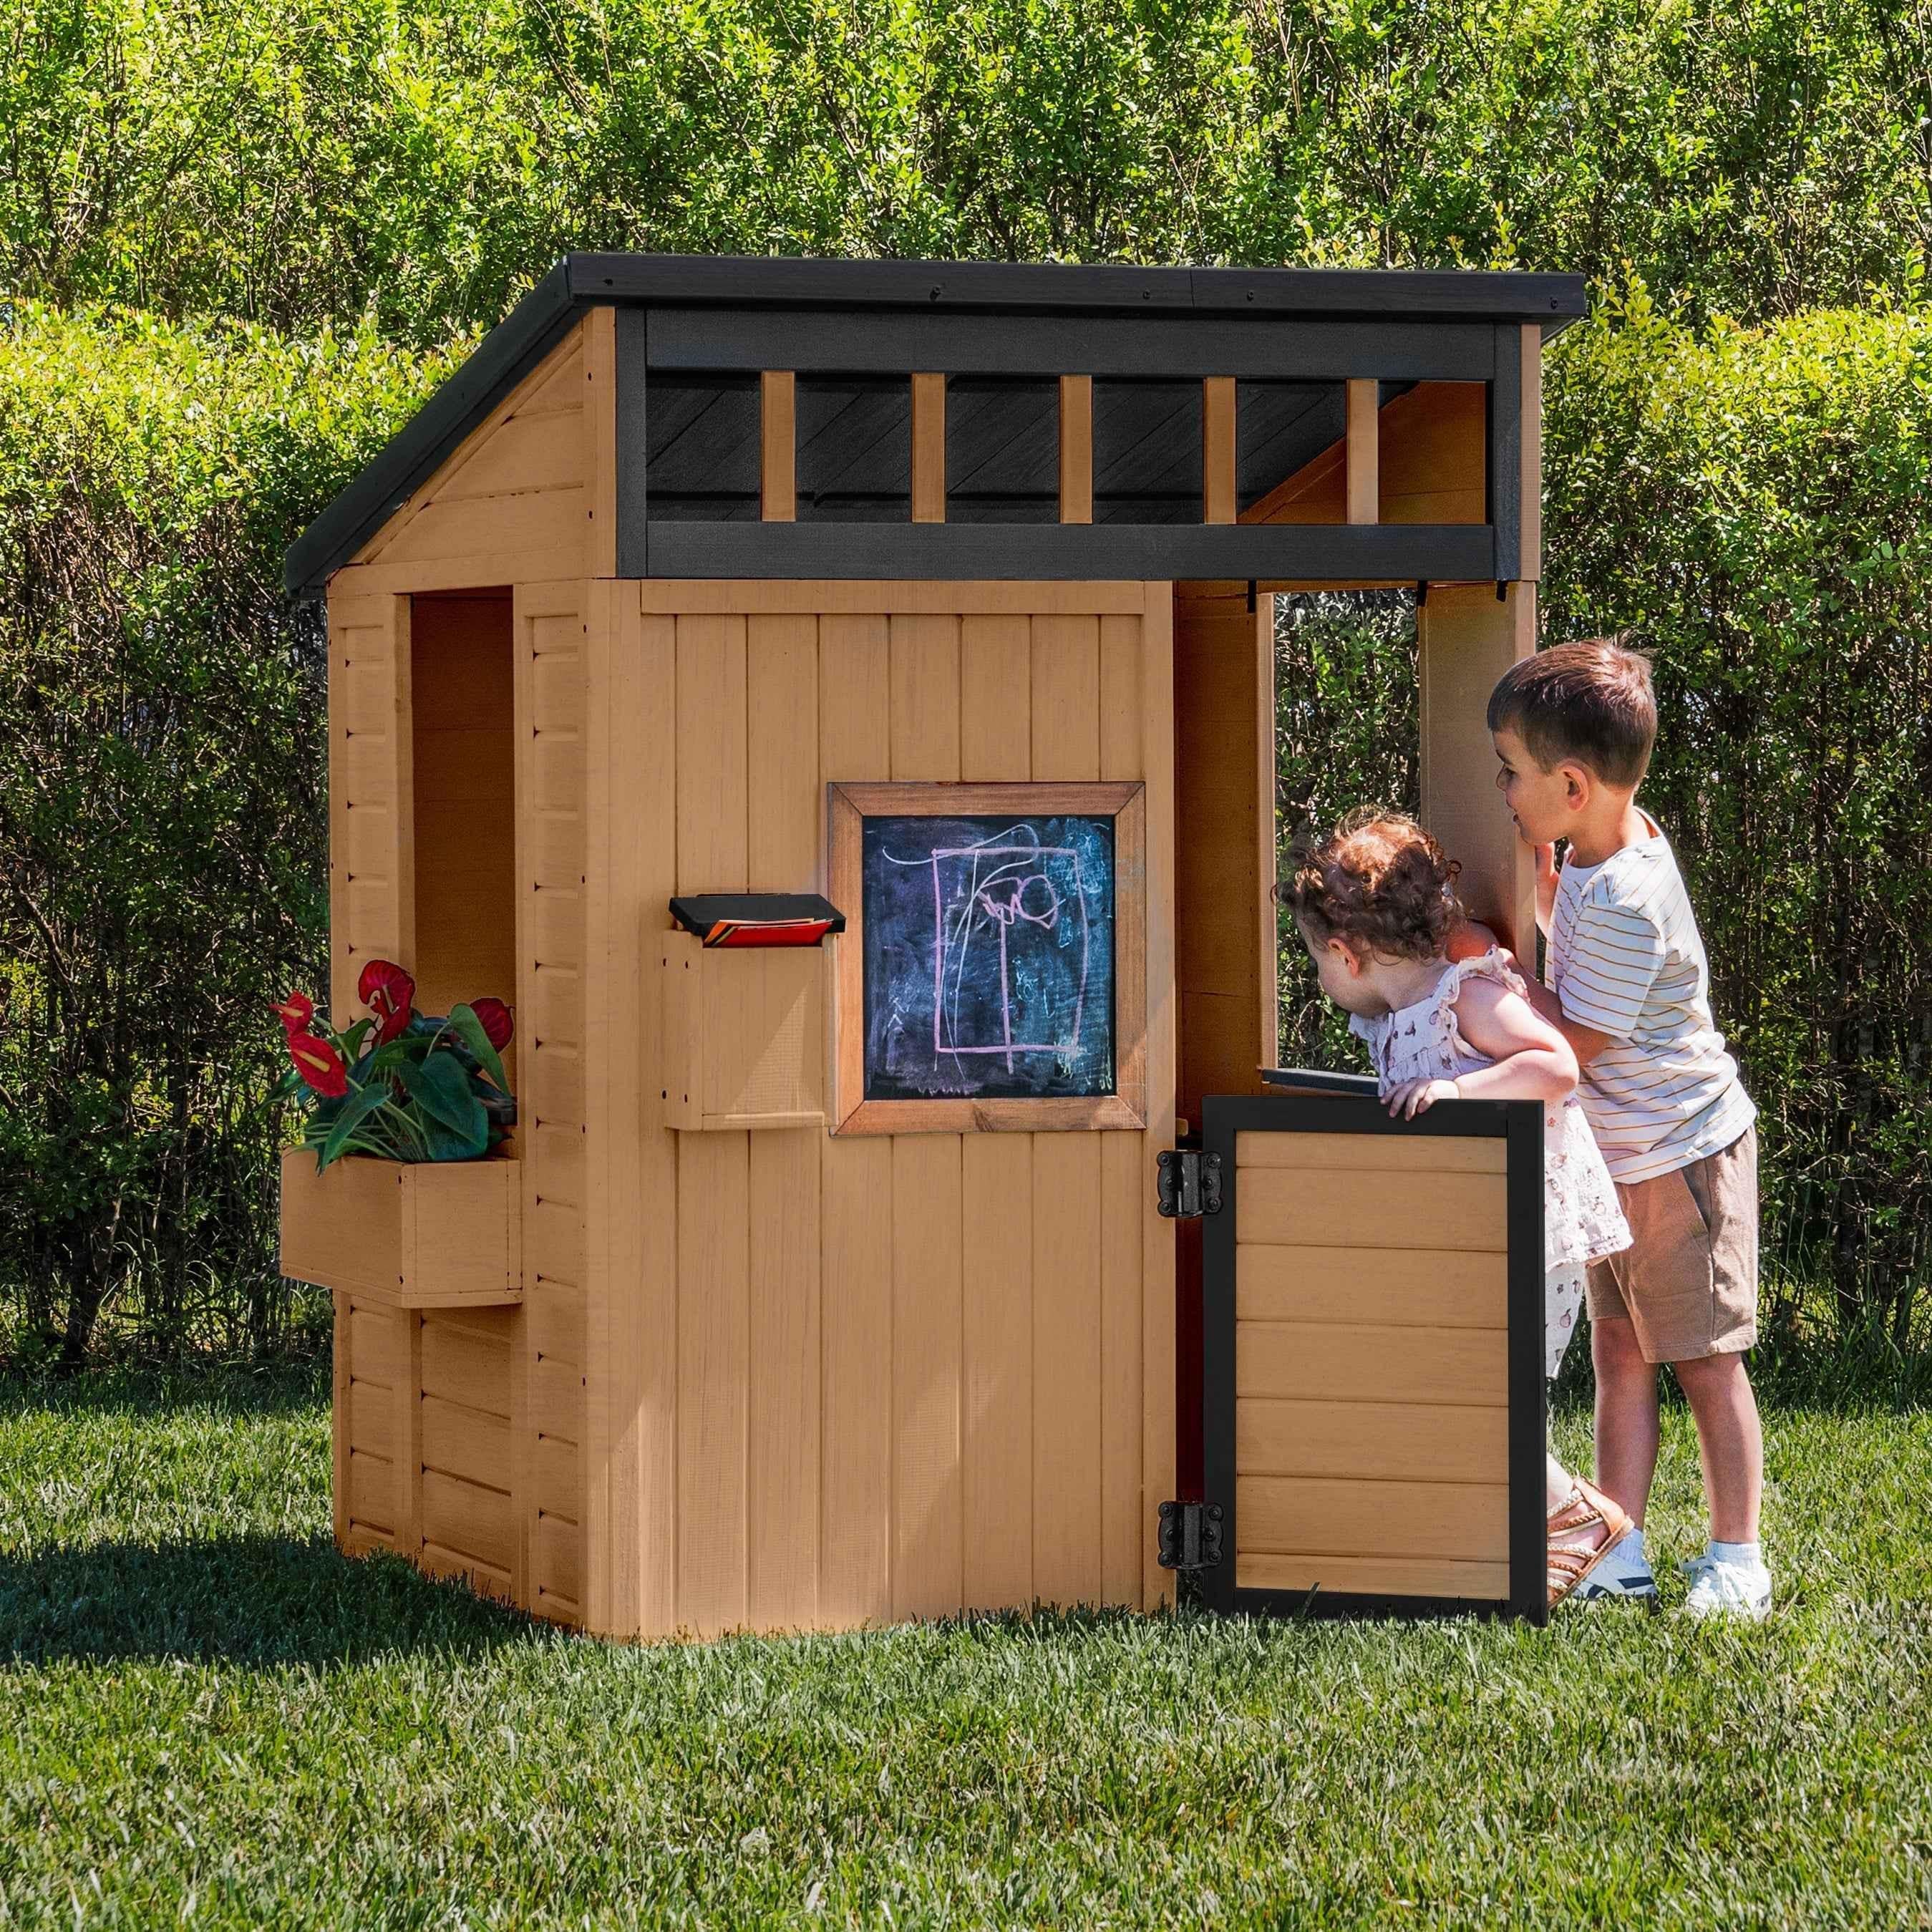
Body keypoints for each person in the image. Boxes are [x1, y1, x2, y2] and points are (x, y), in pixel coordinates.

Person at [1286, 810, 1634, 1609]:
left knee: (1489, 1387)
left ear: (1347, 953)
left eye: (1316, 963)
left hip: (1528, 1223)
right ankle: (1533, 1532)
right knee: (1455, 1382)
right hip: (1466, 1229)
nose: (1321, 982)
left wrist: (1455, 1087)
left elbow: (1552, 1065)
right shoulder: (1391, 1014)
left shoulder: (1465, 997)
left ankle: (1584, 1525)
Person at [1489, 639, 1770, 1618]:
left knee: (1701, 1357)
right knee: (1618, 1348)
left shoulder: (1622, 898)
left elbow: (1573, 1044)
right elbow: (1563, 924)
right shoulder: (1598, 846)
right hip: (1617, 1161)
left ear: (1570, 782)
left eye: (1511, 773)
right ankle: (1619, 1541)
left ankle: (1735, 1556)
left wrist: (1499, 990)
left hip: (1679, 1157)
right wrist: (1535, 865)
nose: (1501, 788)